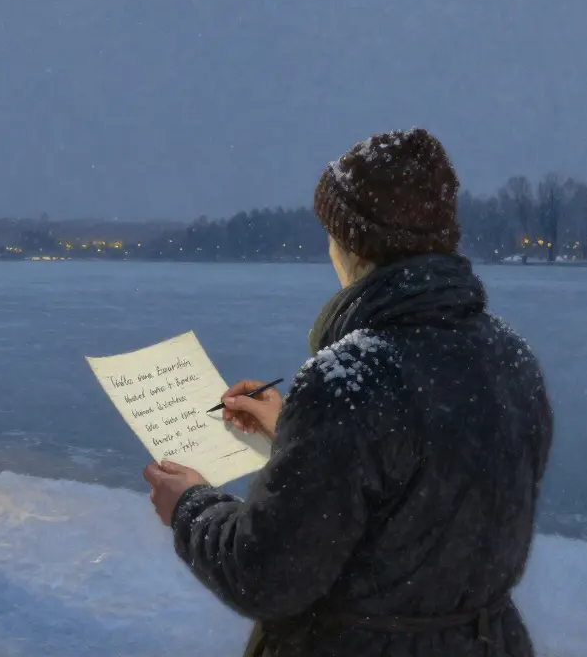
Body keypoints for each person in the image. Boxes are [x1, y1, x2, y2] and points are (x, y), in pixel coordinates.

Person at [142, 128, 554, 657]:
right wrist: (296, 428)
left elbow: (265, 573)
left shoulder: (356, 380)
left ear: (353, 243)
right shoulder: (507, 356)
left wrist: (189, 507)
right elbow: (430, 485)